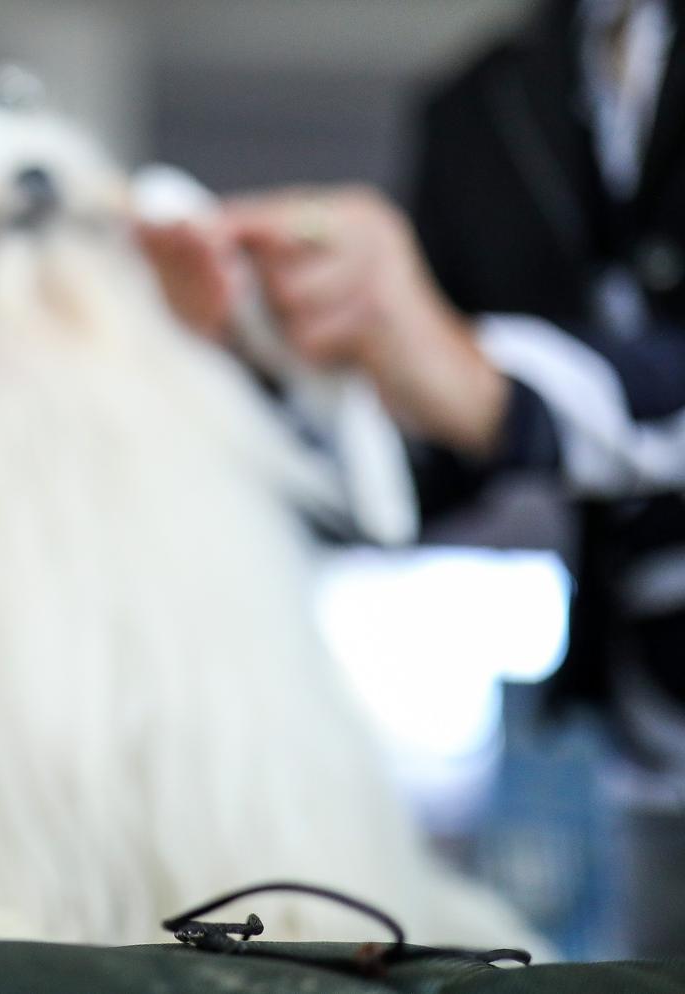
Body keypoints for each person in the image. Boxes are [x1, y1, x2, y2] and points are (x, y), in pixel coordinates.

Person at [140, 0, 685, 955]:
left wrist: (481, 379)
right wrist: (277, 360)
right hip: (642, 750)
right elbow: (420, 463)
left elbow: (468, 381)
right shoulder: (484, 100)